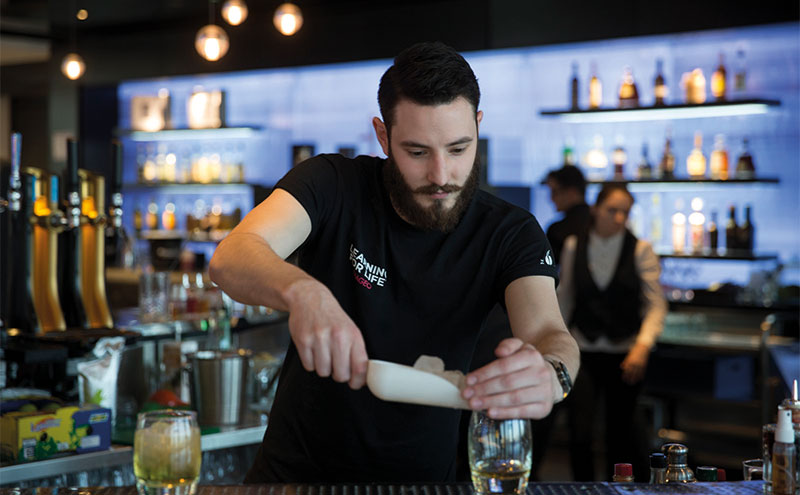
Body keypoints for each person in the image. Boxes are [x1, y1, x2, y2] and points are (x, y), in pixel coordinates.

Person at [209, 41, 580, 483]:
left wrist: (551, 374)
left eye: (458, 149)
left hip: (425, 483)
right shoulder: (332, 184)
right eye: (417, 152)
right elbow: (233, 254)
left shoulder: (508, 231)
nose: (441, 176)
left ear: (478, 126)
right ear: (383, 136)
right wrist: (303, 292)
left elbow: (548, 332)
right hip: (293, 479)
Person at [556, 183, 666, 481]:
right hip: (583, 348)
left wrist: (642, 347)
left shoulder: (641, 249)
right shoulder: (573, 245)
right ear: (595, 209)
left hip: (625, 352)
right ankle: (583, 488)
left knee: (621, 432)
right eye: (612, 210)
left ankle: (620, 488)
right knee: (580, 430)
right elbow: (565, 298)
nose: (619, 218)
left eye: (625, 212)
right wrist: (558, 344)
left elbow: (656, 305)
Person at [545, 165, 591, 264]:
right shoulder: (599, 223)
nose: (551, 198)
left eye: (555, 192)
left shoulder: (557, 231)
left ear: (572, 192)